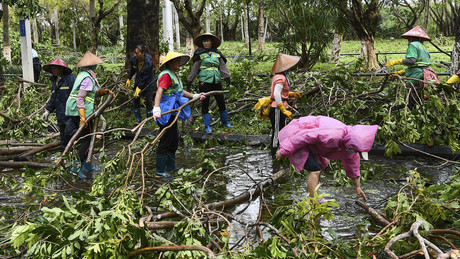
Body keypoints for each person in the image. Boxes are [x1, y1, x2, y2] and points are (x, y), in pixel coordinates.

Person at [275, 116, 379, 201]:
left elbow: (353, 164)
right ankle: (314, 204)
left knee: (318, 168)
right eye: (357, 150)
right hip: (296, 134)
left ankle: (316, 198)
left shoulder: (350, 146)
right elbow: (305, 136)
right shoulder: (333, 135)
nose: (356, 152)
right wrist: (284, 150)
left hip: (311, 145)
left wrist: (357, 186)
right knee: (315, 170)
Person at [153, 51, 206, 178]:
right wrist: (156, 107)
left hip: (174, 108)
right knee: (166, 138)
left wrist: (194, 96)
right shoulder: (166, 75)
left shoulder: (174, 75)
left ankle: (171, 166)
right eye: (176, 61)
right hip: (167, 109)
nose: (179, 63)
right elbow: (159, 92)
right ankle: (160, 169)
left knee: (173, 138)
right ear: (170, 63)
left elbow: (180, 91)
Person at [64, 51, 113, 179]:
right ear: (92, 66)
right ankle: (77, 167)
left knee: (86, 138)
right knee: (88, 140)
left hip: (74, 110)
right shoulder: (87, 78)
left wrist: (105, 91)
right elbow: (80, 98)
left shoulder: (84, 75)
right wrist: (82, 117)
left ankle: (86, 165)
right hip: (79, 111)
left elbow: (94, 93)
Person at [186, 33, 232, 133]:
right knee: (205, 103)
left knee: (221, 101)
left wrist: (227, 77)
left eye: (208, 41)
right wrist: (190, 80)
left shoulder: (217, 53)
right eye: (204, 41)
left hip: (216, 80)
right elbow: (195, 68)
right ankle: (207, 126)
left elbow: (222, 66)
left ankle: (225, 122)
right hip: (204, 81)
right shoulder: (199, 54)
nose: (206, 43)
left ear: (211, 42)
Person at [385, 26, 439, 105]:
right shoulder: (423, 47)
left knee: (411, 100)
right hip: (424, 76)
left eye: (409, 38)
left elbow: (411, 61)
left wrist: (396, 62)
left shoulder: (413, 45)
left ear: (411, 38)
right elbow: (420, 65)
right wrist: (401, 72)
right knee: (419, 99)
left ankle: (412, 113)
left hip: (415, 78)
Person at [268, 53, 302, 157]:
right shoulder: (280, 78)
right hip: (277, 108)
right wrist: (282, 109)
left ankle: (281, 152)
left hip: (281, 106)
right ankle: (274, 155)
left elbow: (282, 92)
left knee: (282, 130)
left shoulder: (281, 76)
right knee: (277, 132)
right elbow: (276, 94)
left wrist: (292, 94)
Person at [42, 57, 76, 150]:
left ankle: (76, 157)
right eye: (52, 69)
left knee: (70, 133)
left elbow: (78, 96)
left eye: (55, 68)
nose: (53, 70)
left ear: (61, 69)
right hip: (60, 114)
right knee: (63, 137)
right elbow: (53, 98)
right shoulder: (55, 81)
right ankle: (65, 158)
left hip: (71, 114)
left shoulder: (71, 79)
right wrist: (48, 111)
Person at [126, 44, 156, 125]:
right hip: (139, 80)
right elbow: (132, 69)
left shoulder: (148, 63)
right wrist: (129, 78)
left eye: (137, 53)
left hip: (149, 81)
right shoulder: (133, 59)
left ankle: (149, 120)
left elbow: (145, 77)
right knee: (136, 98)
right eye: (135, 53)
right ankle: (138, 120)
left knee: (149, 100)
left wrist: (139, 87)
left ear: (143, 53)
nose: (136, 55)